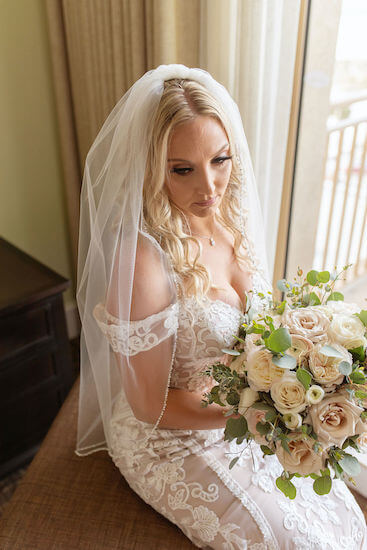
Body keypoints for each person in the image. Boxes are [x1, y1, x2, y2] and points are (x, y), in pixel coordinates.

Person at [76, 64, 367, 549]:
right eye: (182, 169)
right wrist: (254, 415)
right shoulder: (141, 261)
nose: (209, 187)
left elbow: (259, 330)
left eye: (220, 159)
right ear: (152, 168)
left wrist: (300, 371)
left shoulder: (230, 220)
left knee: (342, 519)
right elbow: (151, 406)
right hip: (171, 438)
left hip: (246, 407)